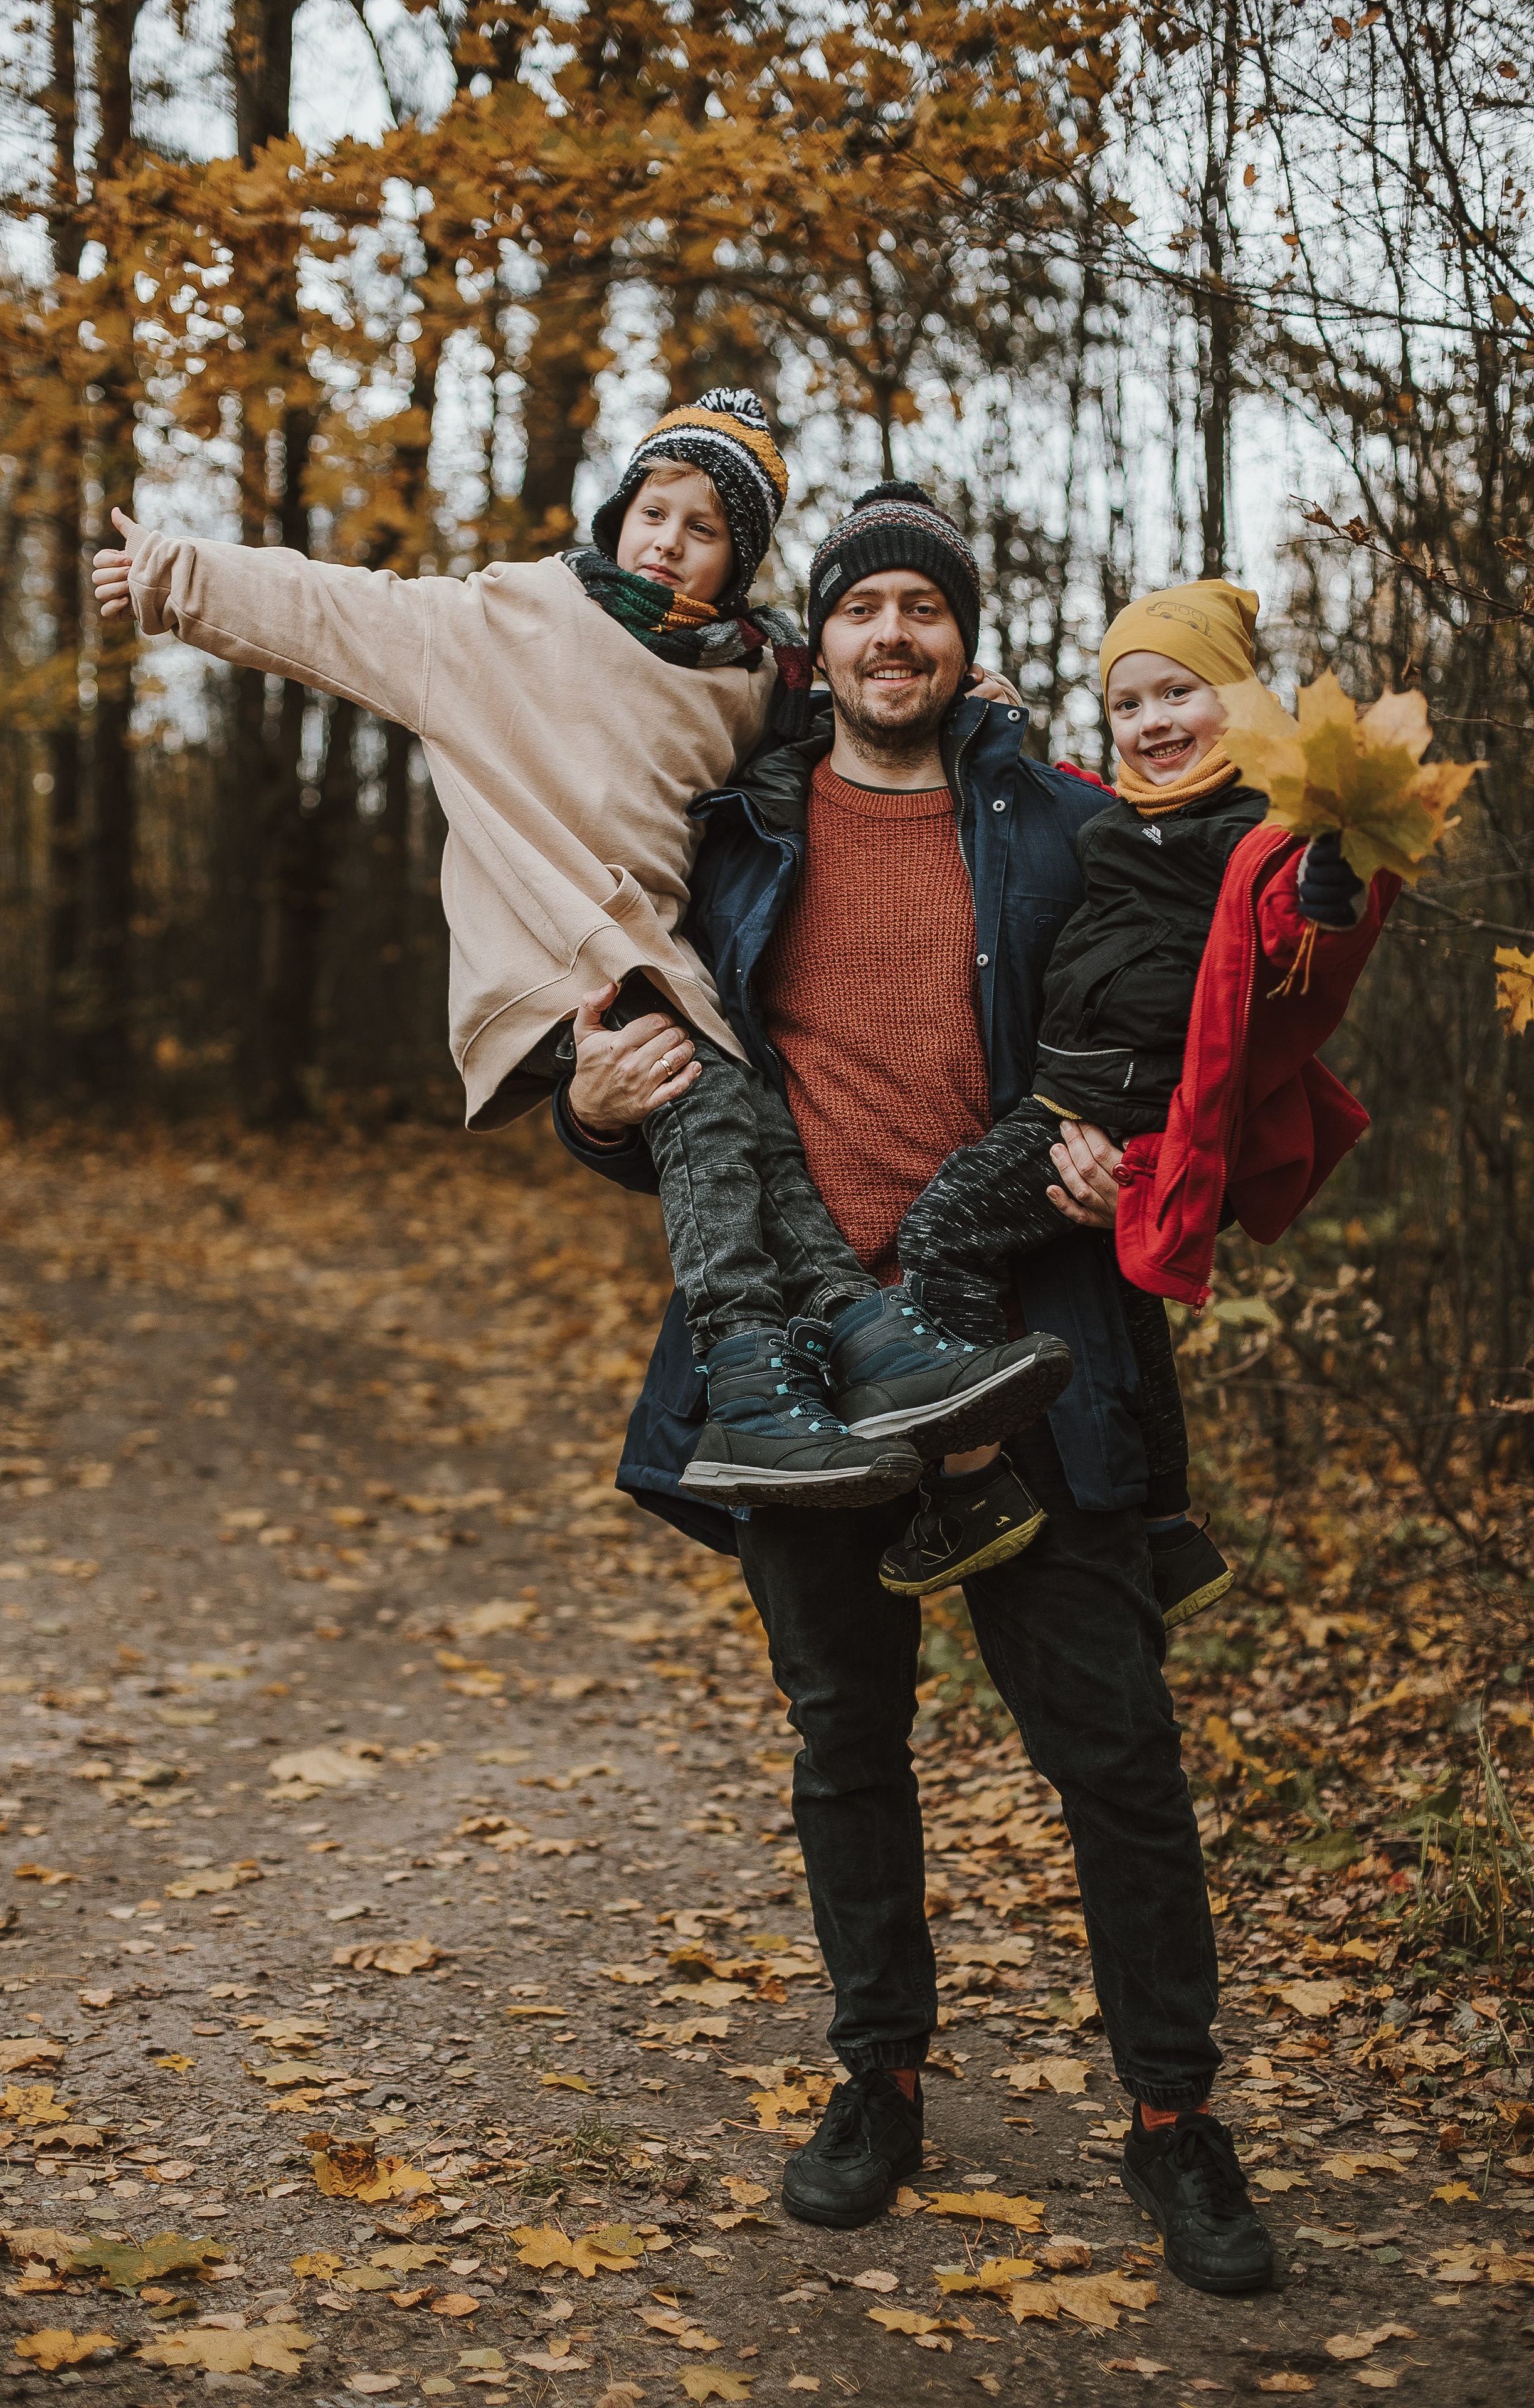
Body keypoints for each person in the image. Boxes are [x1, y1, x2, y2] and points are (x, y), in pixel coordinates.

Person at [556, 484, 1277, 2295]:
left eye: (925, 610)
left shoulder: (1062, 820)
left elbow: (1184, 1012)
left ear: (965, 639)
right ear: (831, 636)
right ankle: (876, 2077)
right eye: (863, 607)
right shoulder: (730, 833)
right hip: (793, 1370)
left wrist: (1133, 1152)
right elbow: (643, 1081)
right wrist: (592, 1114)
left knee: (1115, 1754)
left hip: (1027, 1347)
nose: (894, 636)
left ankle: (1179, 2119)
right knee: (843, 1745)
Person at [92, 399, 1067, 1507]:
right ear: (618, 514)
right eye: (654, 511)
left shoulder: (748, 676)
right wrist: (173, 577)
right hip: (553, 955)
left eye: (705, 530)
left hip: (658, 960)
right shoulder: (504, 621)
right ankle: (749, 1390)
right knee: (706, 1109)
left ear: (735, 566)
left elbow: (861, 692)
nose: (668, 541)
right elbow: (332, 610)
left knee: (752, 1131)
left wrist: (971, 711)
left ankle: (863, 1338)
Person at [881, 580, 1385, 1623]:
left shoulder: (1263, 830)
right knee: (1123, 1303)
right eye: (1129, 704)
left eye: (1180, 695)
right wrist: (1003, 724)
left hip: (1116, 1110)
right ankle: (1170, 1532)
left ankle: (971, 1482)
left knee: (940, 1233)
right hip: (1083, 1095)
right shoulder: (1126, 821)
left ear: (1241, 701)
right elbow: (1048, 793)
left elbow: (1302, 936)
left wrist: (1333, 892)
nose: (1154, 723)